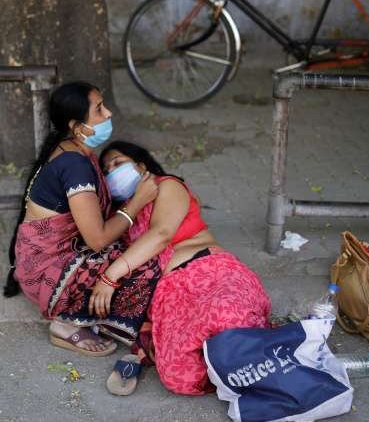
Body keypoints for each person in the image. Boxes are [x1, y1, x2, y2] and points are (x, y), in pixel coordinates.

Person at [94, 141, 272, 395]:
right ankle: (234, 368)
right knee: (181, 376)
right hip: (170, 295)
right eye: (107, 170)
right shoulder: (125, 213)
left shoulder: (168, 186)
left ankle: (261, 368)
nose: (112, 171)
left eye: (118, 163)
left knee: (226, 314)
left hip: (210, 271)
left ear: (141, 165)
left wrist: (110, 277)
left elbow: (162, 234)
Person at [4, 82, 161, 357]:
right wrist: (139, 201)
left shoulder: (74, 151)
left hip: (57, 254)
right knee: (145, 269)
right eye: (99, 109)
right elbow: (98, 240)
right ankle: (65, 324)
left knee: (134, 253)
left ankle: (108, 318)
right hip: (48, 272)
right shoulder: (75, 165)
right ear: (78, 126)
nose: (109, 113)